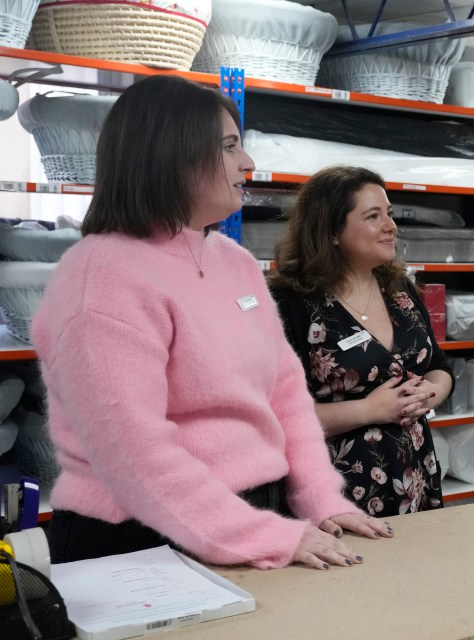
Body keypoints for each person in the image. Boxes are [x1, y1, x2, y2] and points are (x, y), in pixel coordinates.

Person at [32, 75, 391, 571]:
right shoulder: (102, 274)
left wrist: (317, 496)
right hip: (142, 538)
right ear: (171, 156)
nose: (248, 163)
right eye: (228, 147)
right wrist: (259, 534)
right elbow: (132, 449)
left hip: (250, 516)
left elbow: (284, 391)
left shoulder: (232, 260)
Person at [268, 166, 453, 518]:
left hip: (413, 480)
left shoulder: (400, 291)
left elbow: (439, 368)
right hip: (332, 496)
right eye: (373, 216)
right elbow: (276, 414)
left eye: (390, 214)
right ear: (333, 230)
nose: (391, 226)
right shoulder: (289, 302)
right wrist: (370, 410)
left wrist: (429, 394)